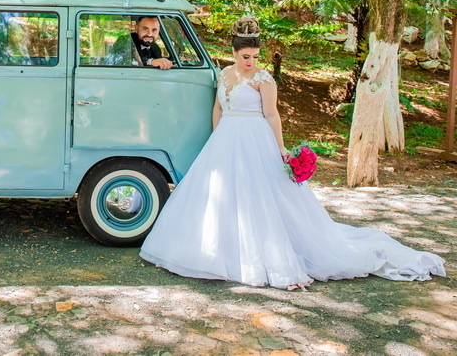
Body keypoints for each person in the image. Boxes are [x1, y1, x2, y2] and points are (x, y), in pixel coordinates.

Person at [139, 16, 446, 290]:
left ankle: (273, 258)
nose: (251, 62)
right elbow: (218, 108)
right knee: (221, 195)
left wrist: (281, 147)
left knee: (261, 198)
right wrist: (217, 136)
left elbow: (272, 115)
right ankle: (213, 252)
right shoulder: (224, 74)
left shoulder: (264, 79)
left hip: (255, 138)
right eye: (245, 57)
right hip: (225, 139)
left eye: (255, 56)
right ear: (234, 52)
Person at [109, 16, 173, 69]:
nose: (150, 34)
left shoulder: (156, 48)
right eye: (145, 29)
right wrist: (150, 62)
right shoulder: (125, 41)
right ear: (136, 28)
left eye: (154, 30)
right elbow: (120, 61)